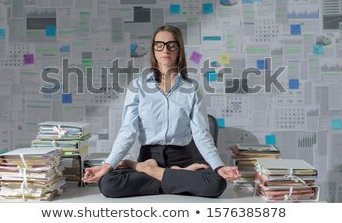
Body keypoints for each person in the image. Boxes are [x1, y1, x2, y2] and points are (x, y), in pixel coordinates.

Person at [82, 25, 240, 198]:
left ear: (179, 50)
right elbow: (128, 131)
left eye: (172, 45)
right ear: (153, 50)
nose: (165, 49)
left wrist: (219, 166)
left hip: (183, 157)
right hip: (150, 155)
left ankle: (146, 170)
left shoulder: (192, 88)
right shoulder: (137, 87)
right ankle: (172, 175)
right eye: (159, 45)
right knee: (108, 184)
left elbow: (201, 133)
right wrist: (108, 165)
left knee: (216, 184)